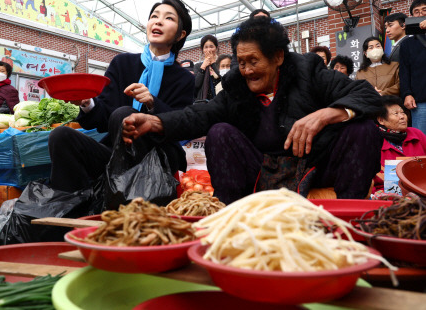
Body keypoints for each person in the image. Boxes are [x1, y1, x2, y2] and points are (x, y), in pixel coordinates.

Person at [122, 17, 383, 203]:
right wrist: (155, 122)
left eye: (254, 61)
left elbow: (366, 95)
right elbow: (200, 114)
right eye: (242, 61)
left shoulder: (307, 70)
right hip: (262, 169)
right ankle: (233, 217)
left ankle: (351, 216)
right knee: (220, 131)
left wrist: (325, 115)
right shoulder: (237, 85)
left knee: (362, 128)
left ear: (278, 57)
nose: (246, 70)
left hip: (315, 164)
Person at [48, 0, 195, 194]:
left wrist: (153, 104)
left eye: (168, 18)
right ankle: (71, 209)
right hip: (115, 154)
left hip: (159, 160)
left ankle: (119, 198)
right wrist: (87, 103)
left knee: (124, 114)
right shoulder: (122, 63)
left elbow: (183, 126)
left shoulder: (184, 78)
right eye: (154, 16)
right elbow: (102, 118)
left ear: (180, 34)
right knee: (61, 136)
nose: (158, 21)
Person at [373, 95, 426, 193]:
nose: (402, 116)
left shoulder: (416, 134)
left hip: (421, 192)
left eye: (402, 112)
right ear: (381, 120)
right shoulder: (373, 141)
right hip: (386, 197)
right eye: (396, 113)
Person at [399, 0, 426, 133]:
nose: (421, 14)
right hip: (420, 102)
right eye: (416, 11)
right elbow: (404, 72)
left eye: (424, 10)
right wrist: (407, 94)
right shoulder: (406, 44)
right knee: (421, 142)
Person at [193, 35, 221, 101]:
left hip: (221, 99)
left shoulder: (222, 63)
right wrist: (203, 66)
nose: (209, 50)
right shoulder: (198, 66)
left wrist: (213, 63)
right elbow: (196, 84)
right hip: (204, 102)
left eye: (211, 47)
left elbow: (224, 78)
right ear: (202, 50)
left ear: (216, 48)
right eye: (206, 47)